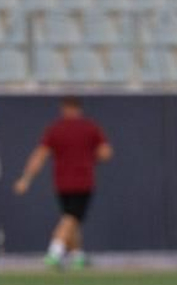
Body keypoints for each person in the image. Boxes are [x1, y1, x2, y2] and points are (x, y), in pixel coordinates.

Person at [13, 95, 114, 269]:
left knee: (71, 217)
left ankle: (77, 255)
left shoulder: (55, 128)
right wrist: (88, 156)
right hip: (83, 180)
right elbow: (106, 153)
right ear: (79, 108)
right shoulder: (90, 127)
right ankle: (54, 252)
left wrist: (26, 178)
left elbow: (40, 155)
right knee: (71, 217)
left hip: (61, 183)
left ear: (64, 108)